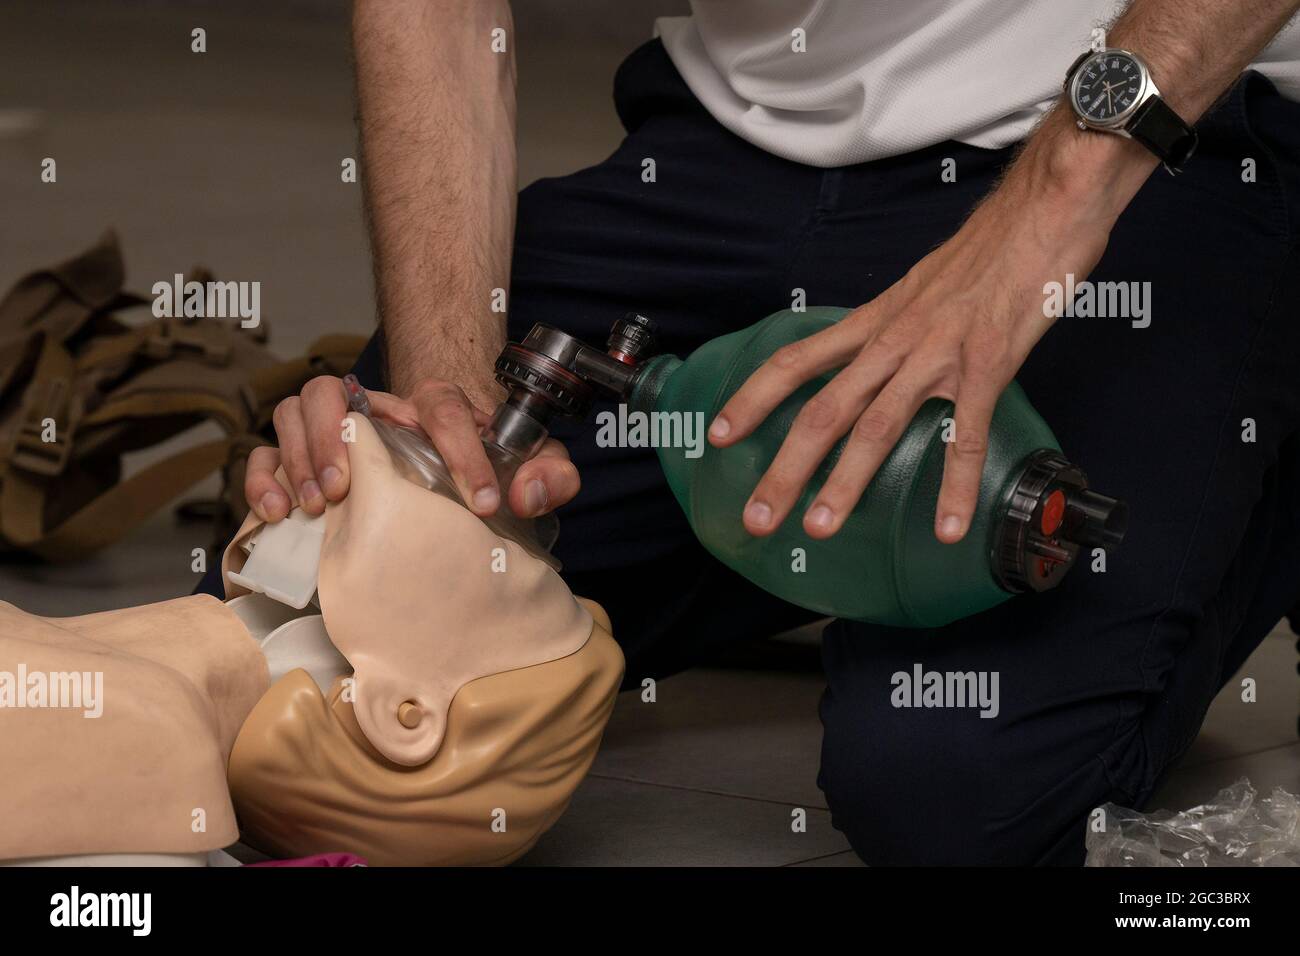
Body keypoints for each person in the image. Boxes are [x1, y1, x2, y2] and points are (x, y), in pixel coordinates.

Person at [204, 0, 1300, 864]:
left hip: (1162, 140)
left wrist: (1041, 217)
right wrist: (444, 401)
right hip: (738, 151)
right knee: (280, 649)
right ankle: (784, 525)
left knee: (959, 796)